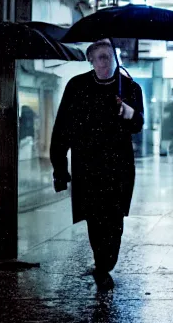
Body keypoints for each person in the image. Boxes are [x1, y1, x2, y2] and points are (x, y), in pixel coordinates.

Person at [50, 39, 144, 287]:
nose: (104, 61)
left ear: (115, 58)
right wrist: (59, 166)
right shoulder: (77, 86)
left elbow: (138, 124)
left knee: (114, 219)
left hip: (119, 166)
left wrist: (127, 110)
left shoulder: (130, 87)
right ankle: (102, 264)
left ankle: (107, 260)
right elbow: (62, 129)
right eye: (99, 57)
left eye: (108, 56)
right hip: (87, 166)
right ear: (91, 60)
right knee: (94, 217)